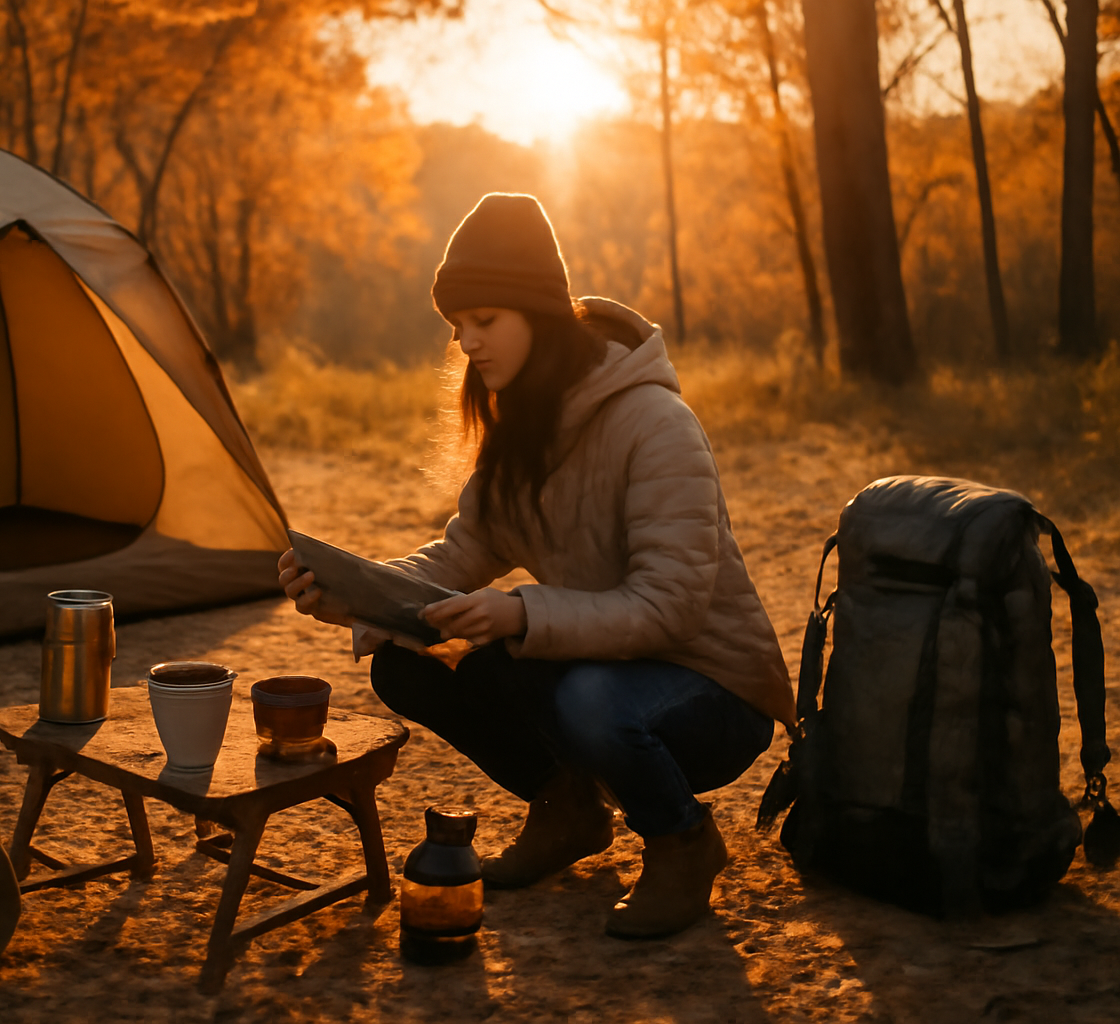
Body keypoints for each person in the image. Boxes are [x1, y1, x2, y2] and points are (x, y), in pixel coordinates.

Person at [278, 192, 794, 938]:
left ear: (539, 315)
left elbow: (670, 604)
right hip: (597, 667)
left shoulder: (657, 424)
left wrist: (522, 612)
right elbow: (462, 553)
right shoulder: (518, 428)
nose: (467, 343)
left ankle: (682, 841)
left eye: (484, 321)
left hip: (710, 691)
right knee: (408, 662)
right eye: (459, 328)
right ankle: (568, 810)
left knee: (587, 699)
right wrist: (351, 595)